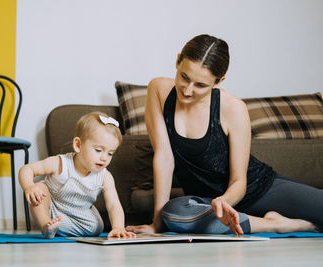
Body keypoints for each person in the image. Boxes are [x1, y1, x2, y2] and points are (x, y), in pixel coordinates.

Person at [126, 34, 322, 236]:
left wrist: (224, 202)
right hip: (206, 205)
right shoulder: (158, 90)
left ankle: (245, 219)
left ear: (219, 81)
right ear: (177, 61)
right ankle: (276, 224)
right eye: (184, 77)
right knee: (173, 214)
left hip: (258, 190)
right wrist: (157, 223)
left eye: (201, 85)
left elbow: (239, 181)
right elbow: (165, 158)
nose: (187, 90)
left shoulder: (234, 108)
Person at [19, 111, 136, 239]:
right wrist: (29, 186)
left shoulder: (105, 176)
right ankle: (46, 225)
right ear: (78, 145)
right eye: (98, 150)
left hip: (80, 215)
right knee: (39, 189)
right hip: (53, 209)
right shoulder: (60, 163)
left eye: (110, 153)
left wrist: (118, 227)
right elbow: (27, 169)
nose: (104, 158)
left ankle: (59, 228)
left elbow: (113, 204)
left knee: (98, 226)